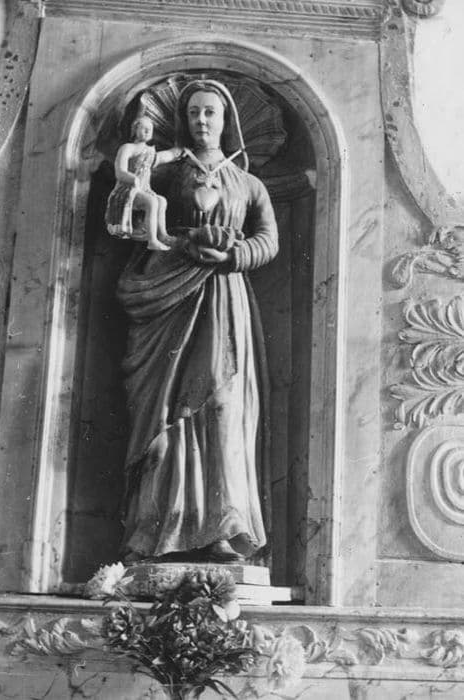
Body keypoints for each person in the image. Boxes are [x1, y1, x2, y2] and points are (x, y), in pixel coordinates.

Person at [117, 79, 279, 563]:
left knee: (223, 404)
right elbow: (129, 211)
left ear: (227, 120)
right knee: (165, 413)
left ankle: (222, 529)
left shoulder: (249, 184)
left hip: (224, 295)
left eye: (210, 112)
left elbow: (268, 240)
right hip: (168, 291)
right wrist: (178, 238)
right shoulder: (166, 171)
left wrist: (233, 254)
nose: (202, 120)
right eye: (193, 113)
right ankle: (154, 531)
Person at [105, 115, 182, 250]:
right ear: (135, 130)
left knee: (161, 201)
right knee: (151, 202)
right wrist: (133, 179)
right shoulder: (127, 148)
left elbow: (165, 157)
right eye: (144, 128)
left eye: (150, 129)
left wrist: (180, 149)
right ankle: (152, 241)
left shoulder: (150, 152)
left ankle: (163, 235)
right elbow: (120, 172)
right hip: (126, 191)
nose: (147, 131)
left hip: (143, 190)